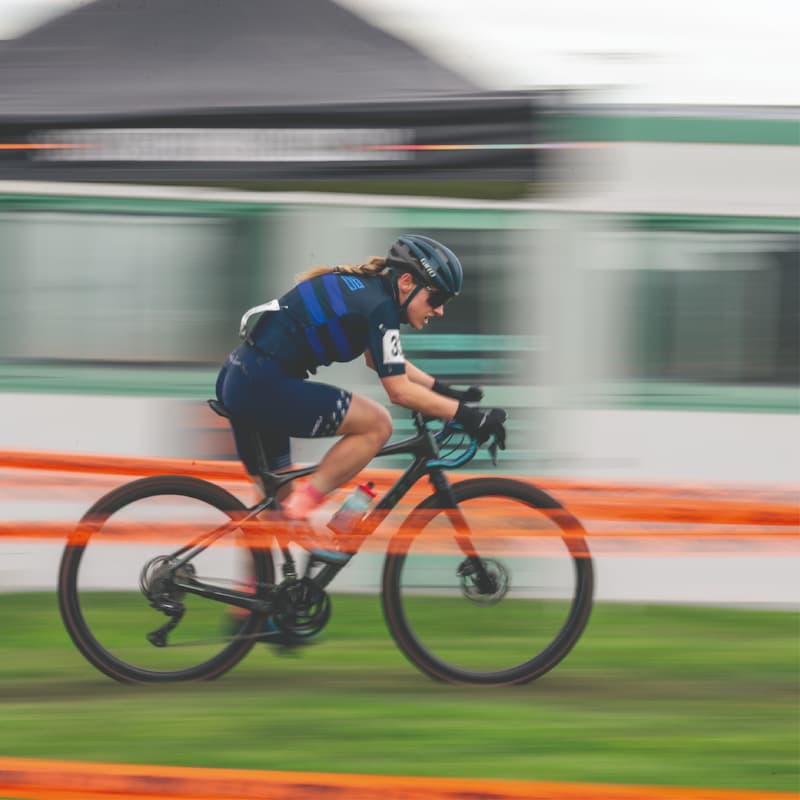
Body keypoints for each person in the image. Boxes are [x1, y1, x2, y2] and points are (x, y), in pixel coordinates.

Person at [215, 234, 507, 561]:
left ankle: (254, 602)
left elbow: (380, 359)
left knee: (272, 500)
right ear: (408, 281)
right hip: (263, 386)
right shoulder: (380, 306)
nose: (438, 310)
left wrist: (444, 392)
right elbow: (398, 390)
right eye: (436, 297)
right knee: (376, 424)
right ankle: (298, 514)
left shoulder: (368, 289)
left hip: (242, 378)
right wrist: (469, 417)